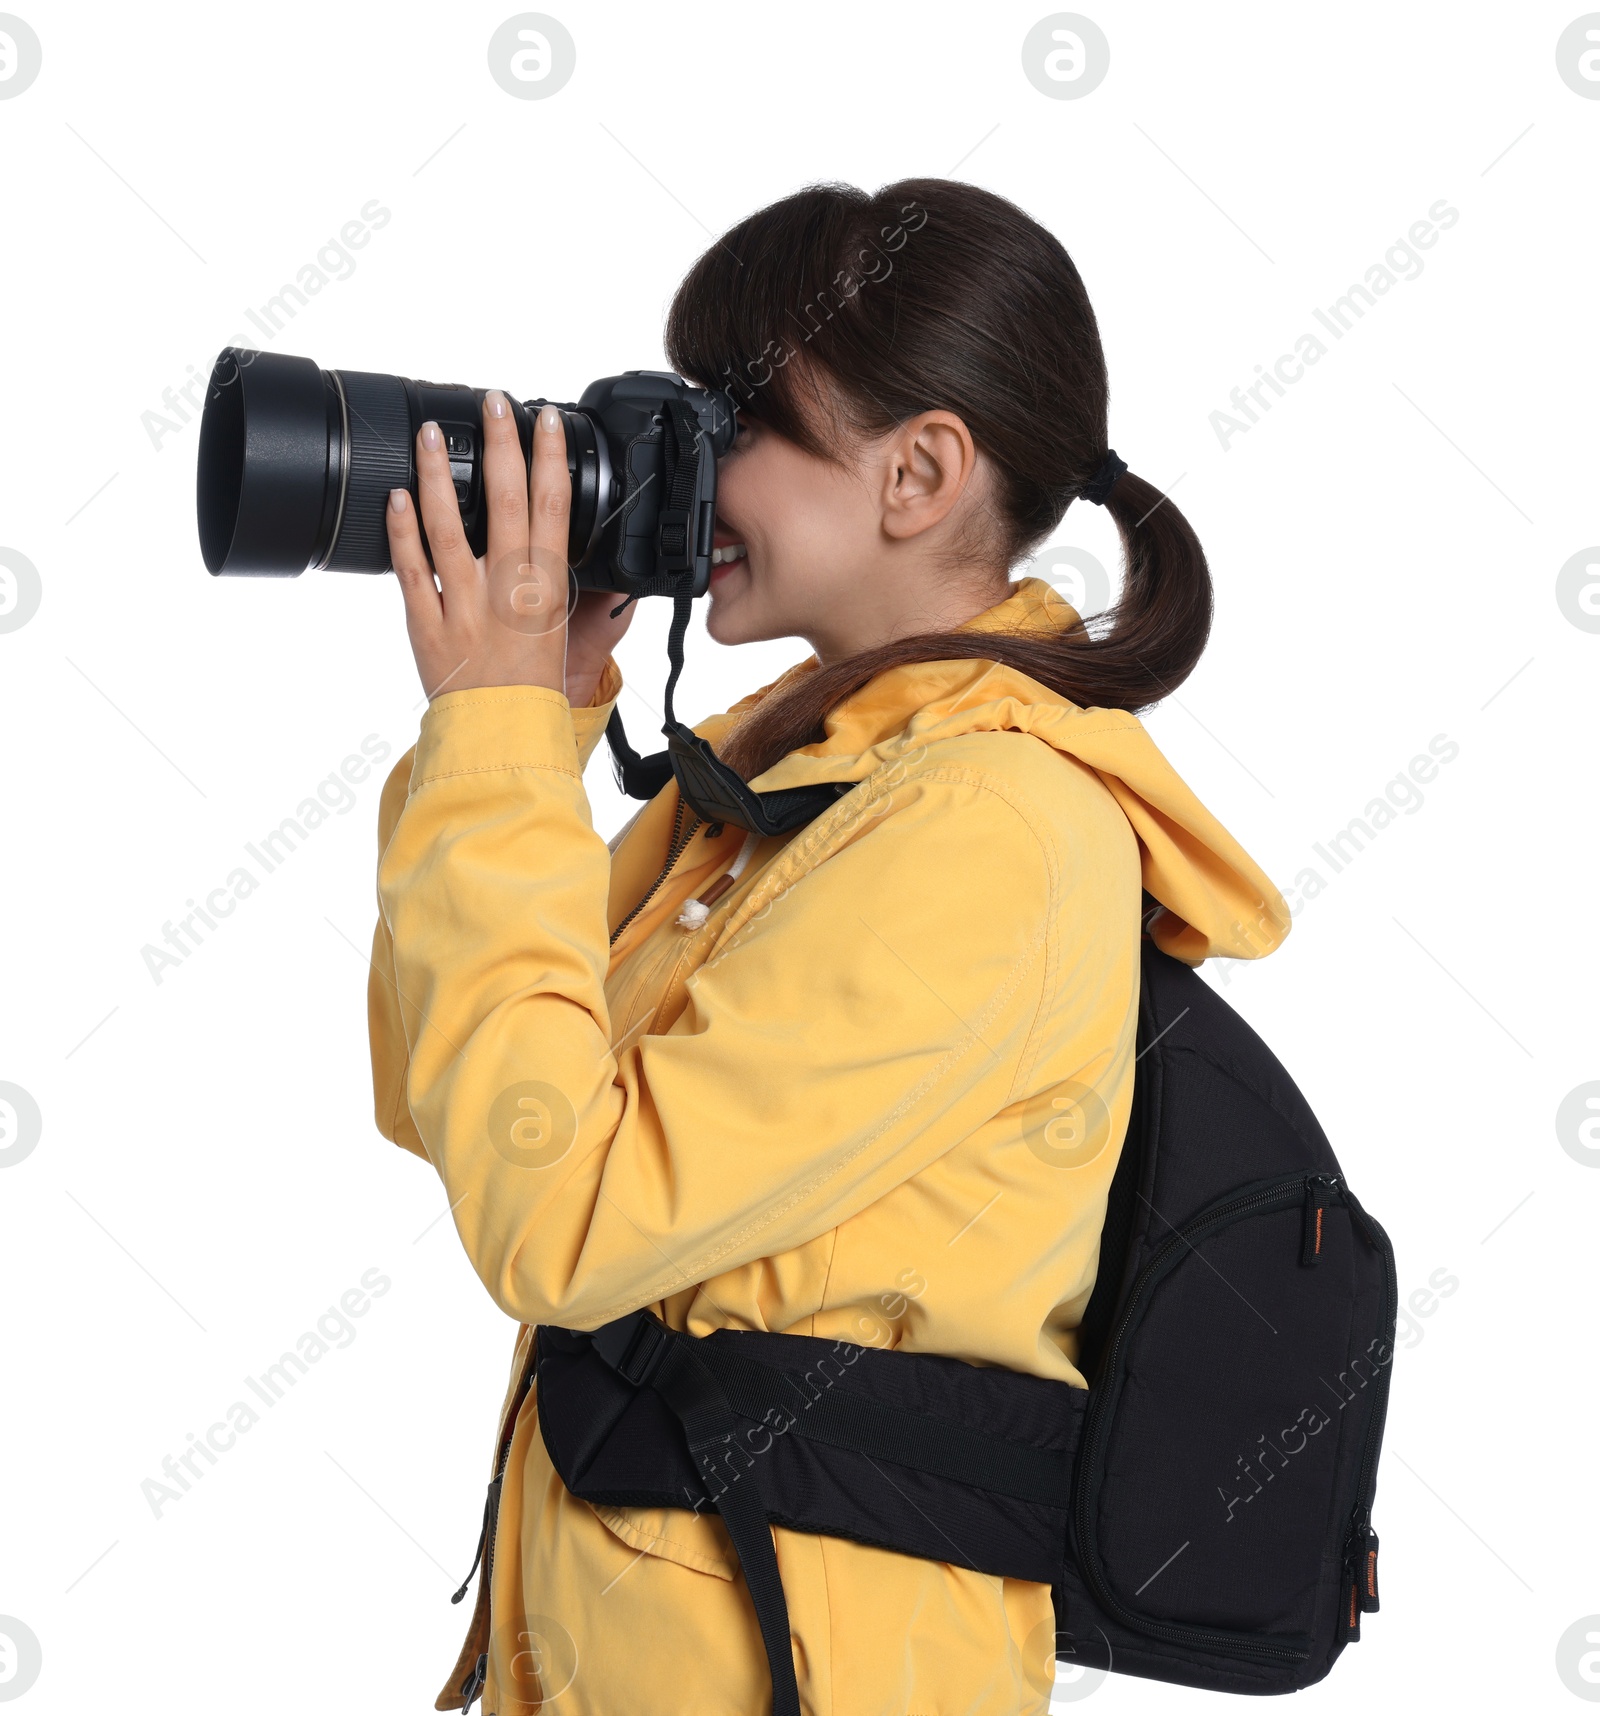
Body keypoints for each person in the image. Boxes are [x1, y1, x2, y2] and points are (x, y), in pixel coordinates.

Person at [366, 177, 1289, 1715]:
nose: (679, 461)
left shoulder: (986, 827)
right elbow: (448, 1097)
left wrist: (505, 747)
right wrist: (527, 725)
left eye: (736, 422)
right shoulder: (795, 778)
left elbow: (556, 1218)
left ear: (918, 472)